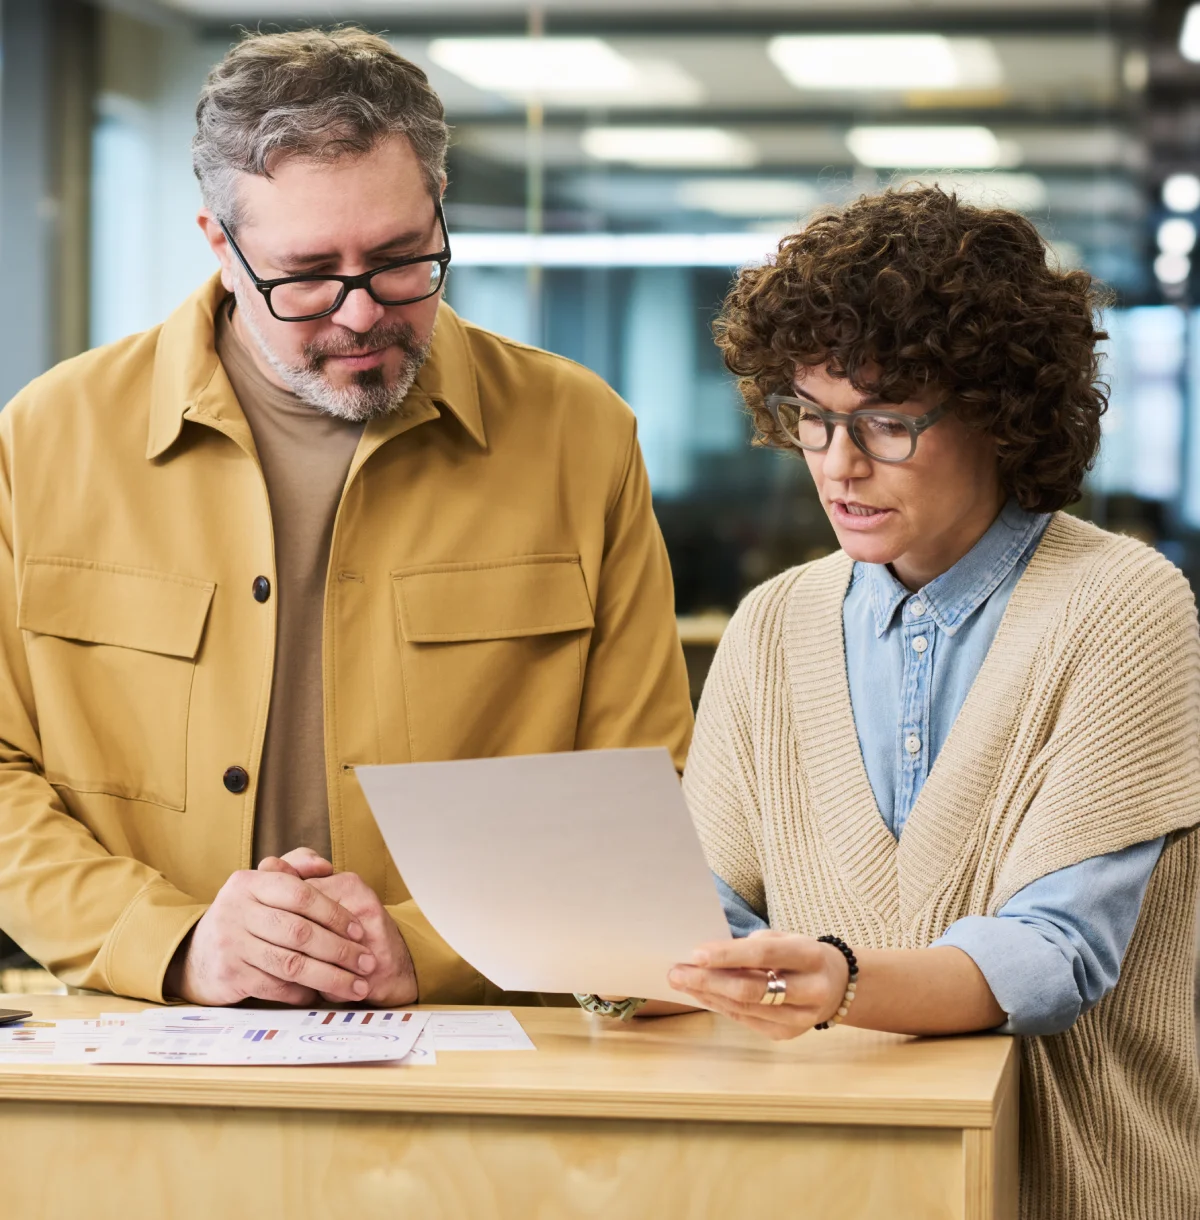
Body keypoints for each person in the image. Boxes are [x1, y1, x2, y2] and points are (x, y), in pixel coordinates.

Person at [0, 27, 691, 1009]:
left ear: (439, 213)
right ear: (219, 247)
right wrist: (173, 940)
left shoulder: (578, 434)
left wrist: (430, 946)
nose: (362, 313)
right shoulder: (47, 437)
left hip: (475, 1054)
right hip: (142, 1043)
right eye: (310, 272)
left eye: (403, 259)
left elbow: (636, 791)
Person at [665, 188, 1200, 1218]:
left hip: (1075, 1188)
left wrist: (839, 979)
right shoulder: (772, 624)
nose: (838, 464)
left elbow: (1055, 951)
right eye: (811, 418)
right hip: (827, 1179)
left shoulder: (1124, 605)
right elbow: (709, 907)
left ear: (1002, 414)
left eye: (888, 424)